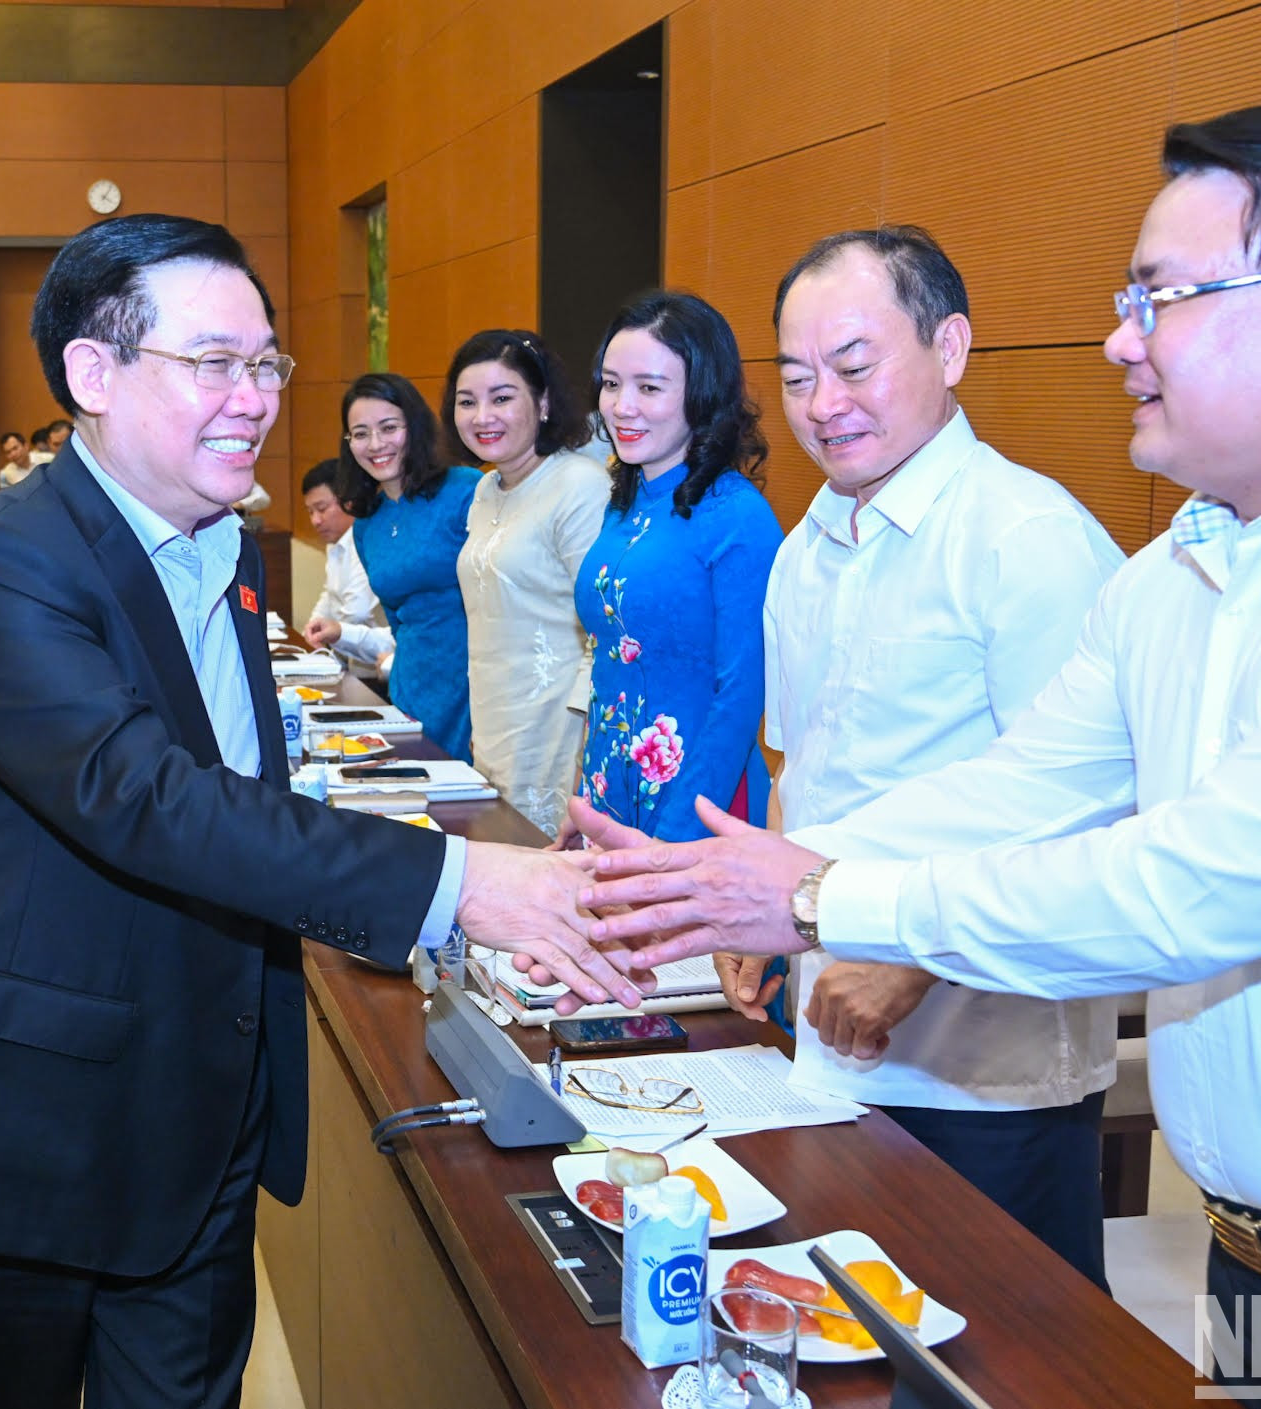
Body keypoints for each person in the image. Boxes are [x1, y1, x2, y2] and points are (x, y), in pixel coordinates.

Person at [579, 94, 1261, 1404]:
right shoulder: (1195, 557)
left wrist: (821, 898)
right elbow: (1023, 785)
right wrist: (749, 876)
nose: (1120, 341)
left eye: (1162, 297)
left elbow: (1187, 888)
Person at [0, 213, 634, 1409]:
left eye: (265, 364)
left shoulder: (221, 548)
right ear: (92, 374)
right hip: (17, 1140)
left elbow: (227, 790)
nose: (255, 397)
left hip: (193, 1122)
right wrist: (465, 883)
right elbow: (146, 798)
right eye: (213, 363)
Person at [754, 227, 1132, 1285]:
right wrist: (767, 915)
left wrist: (919, 953)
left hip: (988, 1077)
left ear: (951, 347)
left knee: (1013, 1367)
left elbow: (1094, 804)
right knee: (850, 1348)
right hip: (832, 1052)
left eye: (855, 364)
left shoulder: (1029, 538)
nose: (824, 402)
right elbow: (803, 764)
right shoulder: (806, 549)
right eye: (796, 376)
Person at [554, 291, 781, 849]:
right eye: (611, 384)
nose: (621, 406)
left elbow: (741, 694)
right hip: (611, 792)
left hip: (698, 805)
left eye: (649, 387)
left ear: (701, 395)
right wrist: (584, 802)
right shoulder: (624, 500)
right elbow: (608, 666)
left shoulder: (736, 516)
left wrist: (676, 837)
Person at [449, 329, 610, 835]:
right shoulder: (484, 489)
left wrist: (589, 748)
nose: (482, 417)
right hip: (494, 719)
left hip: (558, 726)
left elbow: (605, 630)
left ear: (541, 403)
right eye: (466, 401)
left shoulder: (579, 487)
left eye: (502, 398)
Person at [339, 371, 479, 760]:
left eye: (388, 428)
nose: (376, 444)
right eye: (360, 433)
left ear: (414, 427)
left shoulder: (465, 489)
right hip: (414, 682)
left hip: (475, 684)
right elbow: (398, 620)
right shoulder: (367, 524)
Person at [300, 457, 393, 671]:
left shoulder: (368, 540)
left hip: (378, 665)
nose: (315, 520)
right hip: (352, 658)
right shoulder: (335, 542)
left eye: (322, 509)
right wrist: (313, 626)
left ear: (348, 502)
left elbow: (356, 611)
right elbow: (329, 594)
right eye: (310, 512)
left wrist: (329, 632)